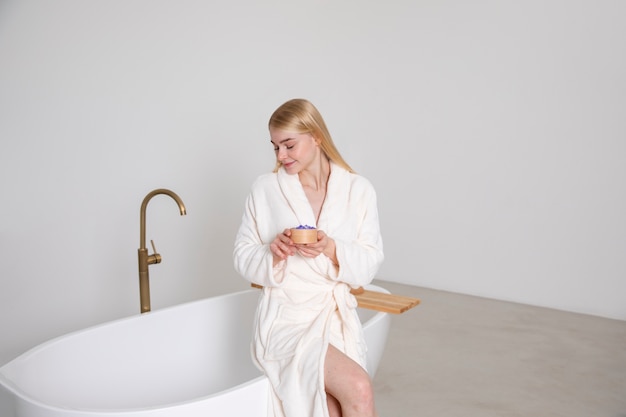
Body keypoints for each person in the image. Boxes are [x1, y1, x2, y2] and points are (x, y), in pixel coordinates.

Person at [233, 98, 384, 417]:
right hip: (286, 320)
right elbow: (243, 255)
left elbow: (369, 263)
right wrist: (274, 253)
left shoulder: (359, 191)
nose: (281, 156)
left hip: (333, 317)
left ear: (316, 136)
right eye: (275, 147)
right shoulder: (266, 189)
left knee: (330, 408)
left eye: (289, 145)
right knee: (357, 387)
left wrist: (331, 248)